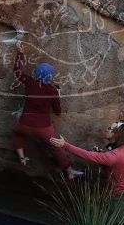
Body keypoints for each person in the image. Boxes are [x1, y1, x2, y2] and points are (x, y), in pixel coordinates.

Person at [11, 42, 81, 179]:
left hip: (24, 124)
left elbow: (17, 71)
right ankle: (69, 171)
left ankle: (22, 157)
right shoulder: (52, 90)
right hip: (43, 128)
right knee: (55, 148)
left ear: (36, 73)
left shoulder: (29, 81)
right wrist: (58, 95)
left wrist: (20, 53)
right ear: (50, 76)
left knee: (16, 134)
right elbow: (58, 112)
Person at [49, 121, 124, 208]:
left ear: (117, 134)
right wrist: (101, 152)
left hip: (121, 199)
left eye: (110, 128)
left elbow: (88, 155)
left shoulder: (113, 156)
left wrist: (65, 145)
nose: (107, 129)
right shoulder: (123, 148)